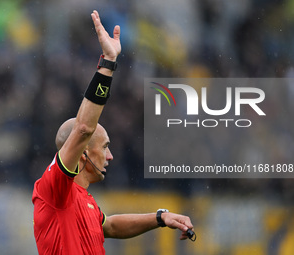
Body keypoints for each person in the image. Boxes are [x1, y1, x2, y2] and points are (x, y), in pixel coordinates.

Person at [32, 10, 194, 255]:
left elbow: (111, 225)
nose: (110, 157)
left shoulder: (83, 200)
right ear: (83, 153)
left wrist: (160, 217)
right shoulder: (54, 189)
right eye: (105, 146)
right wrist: (108, 63)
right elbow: (84, 128)